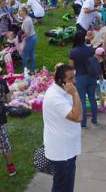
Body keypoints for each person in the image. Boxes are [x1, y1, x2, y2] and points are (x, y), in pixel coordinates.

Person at [43, 64, 82, 192]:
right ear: (61, 80)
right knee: (61, 185)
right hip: (61, 151)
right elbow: (78, 117)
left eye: (74, 77)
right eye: (71, 78)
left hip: (69, 148)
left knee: (68, 183)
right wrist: (75, 93)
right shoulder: (55, 97)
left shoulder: (65, 90)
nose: (74, 81)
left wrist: (73, 93)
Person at [69, 31, 98, 128]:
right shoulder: (90, 49)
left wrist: (70, 80)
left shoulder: (73, 52)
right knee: (92, 98)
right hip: (92, 77)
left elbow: (71, 67)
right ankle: (94, 119)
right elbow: (94, 62)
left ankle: (83, 123)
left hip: (80, 78)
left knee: (82, 100)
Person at [20, 5, 38, 73]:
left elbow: (27, 33)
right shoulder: (27, 18)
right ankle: (32, 70)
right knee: (31, 54)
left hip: (30, 38)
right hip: (33, 37)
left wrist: (21, 39)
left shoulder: (26, 21)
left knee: (25, 55)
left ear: (24, 11)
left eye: (20, 11)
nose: (19, 12)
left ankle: (25, 71)